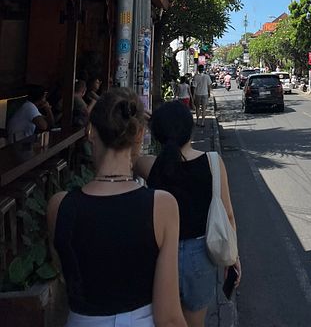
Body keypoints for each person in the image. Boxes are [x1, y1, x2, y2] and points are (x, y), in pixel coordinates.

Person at [47, 89, 186, 327]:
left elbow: (64, 273)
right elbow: (169, 317)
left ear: (91, 133)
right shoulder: (162, 206)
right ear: (140, 135)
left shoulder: (59, 206)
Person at [134, 101, 240, 327]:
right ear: (190, 129)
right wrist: (234, 257)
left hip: (161, 255)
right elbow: (228, 214)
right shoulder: (212, 162)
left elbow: (125, 152)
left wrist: (145, 122)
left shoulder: (148, 165)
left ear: (157, 135)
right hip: (200, 254)